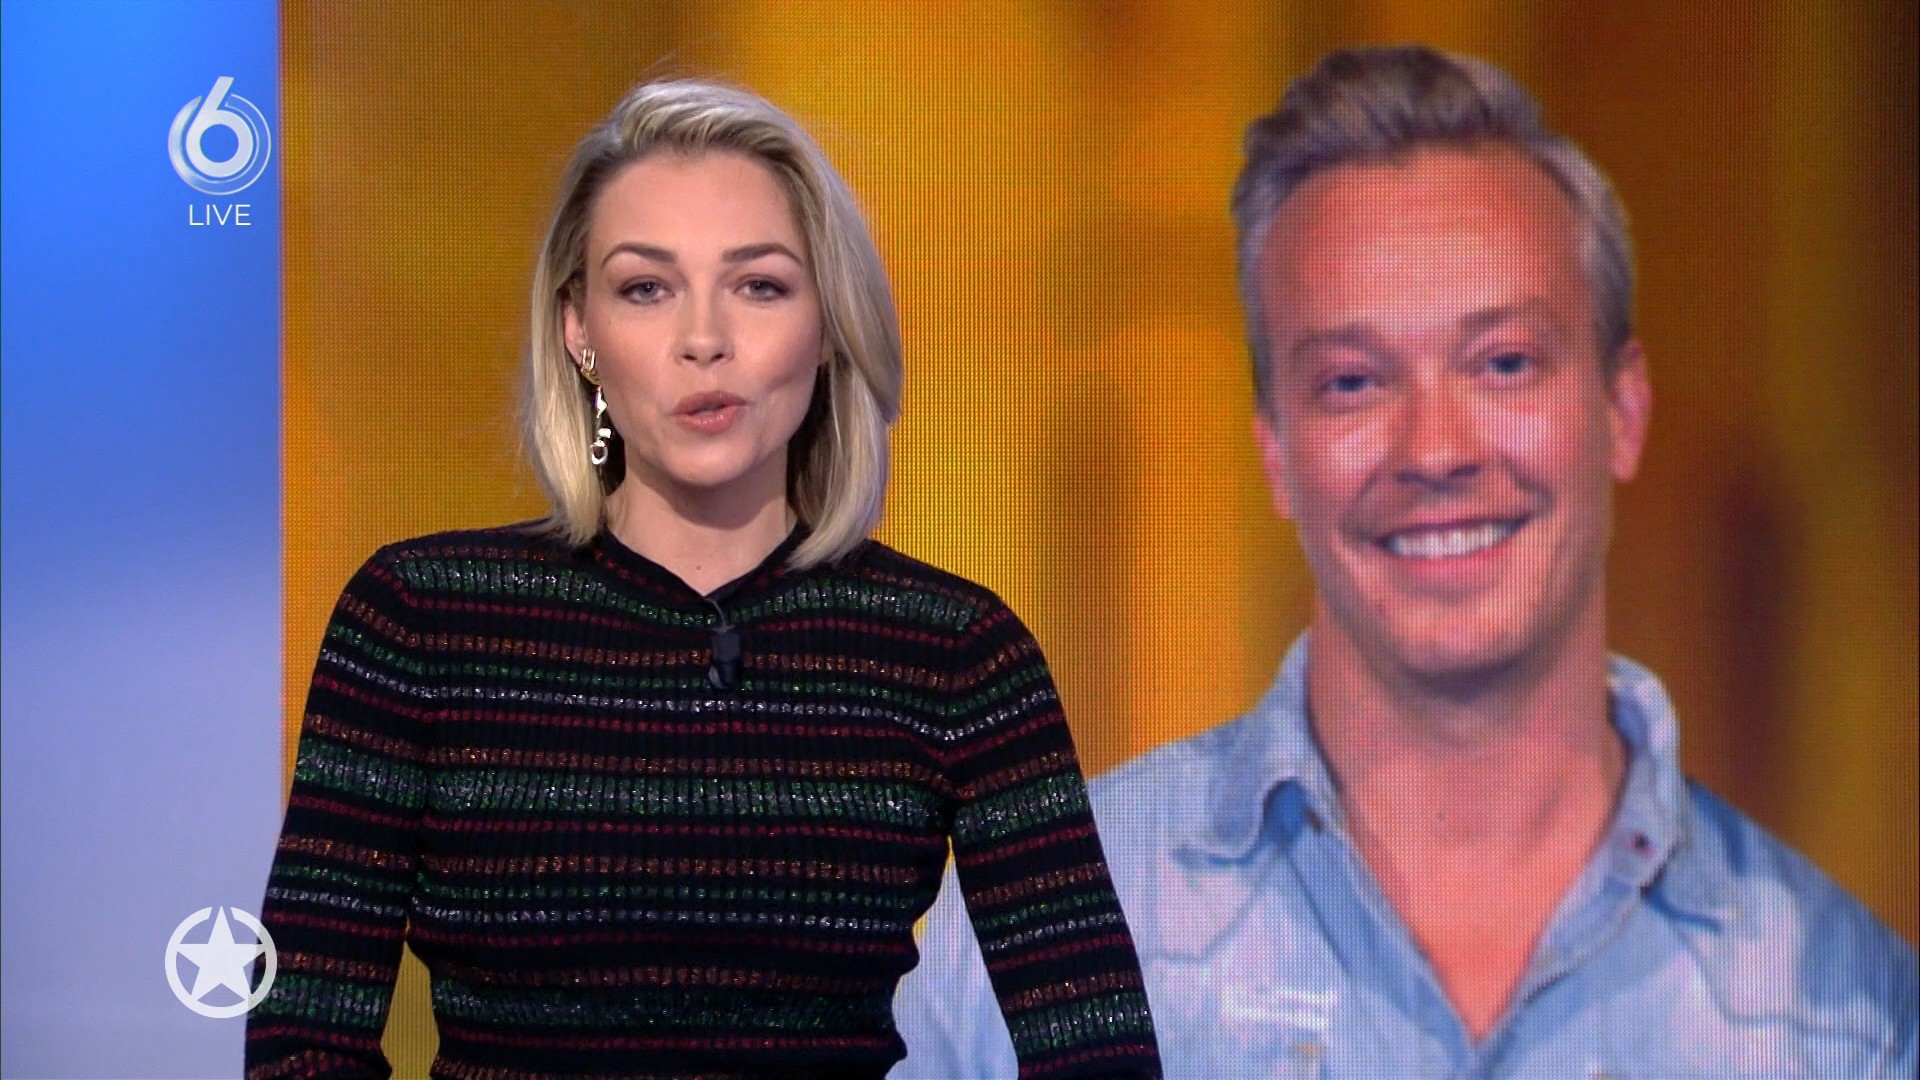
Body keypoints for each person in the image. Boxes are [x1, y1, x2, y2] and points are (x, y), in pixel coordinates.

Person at [892, 45, 1917, 1078]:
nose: (1434, 450)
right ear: (1277, 453)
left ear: (1622, 408)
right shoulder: (1027, 944)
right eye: (1353, 381)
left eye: (1504, 362)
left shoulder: (1845, 1020)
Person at [246, 79, 1159, 1080]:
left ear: (828, 323)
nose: (703, 339)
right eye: (647, 288)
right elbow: (301, 1042)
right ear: (579, 331)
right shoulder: (422, 620)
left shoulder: (953, 651)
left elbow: (1098, 1052)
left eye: (759, 285)